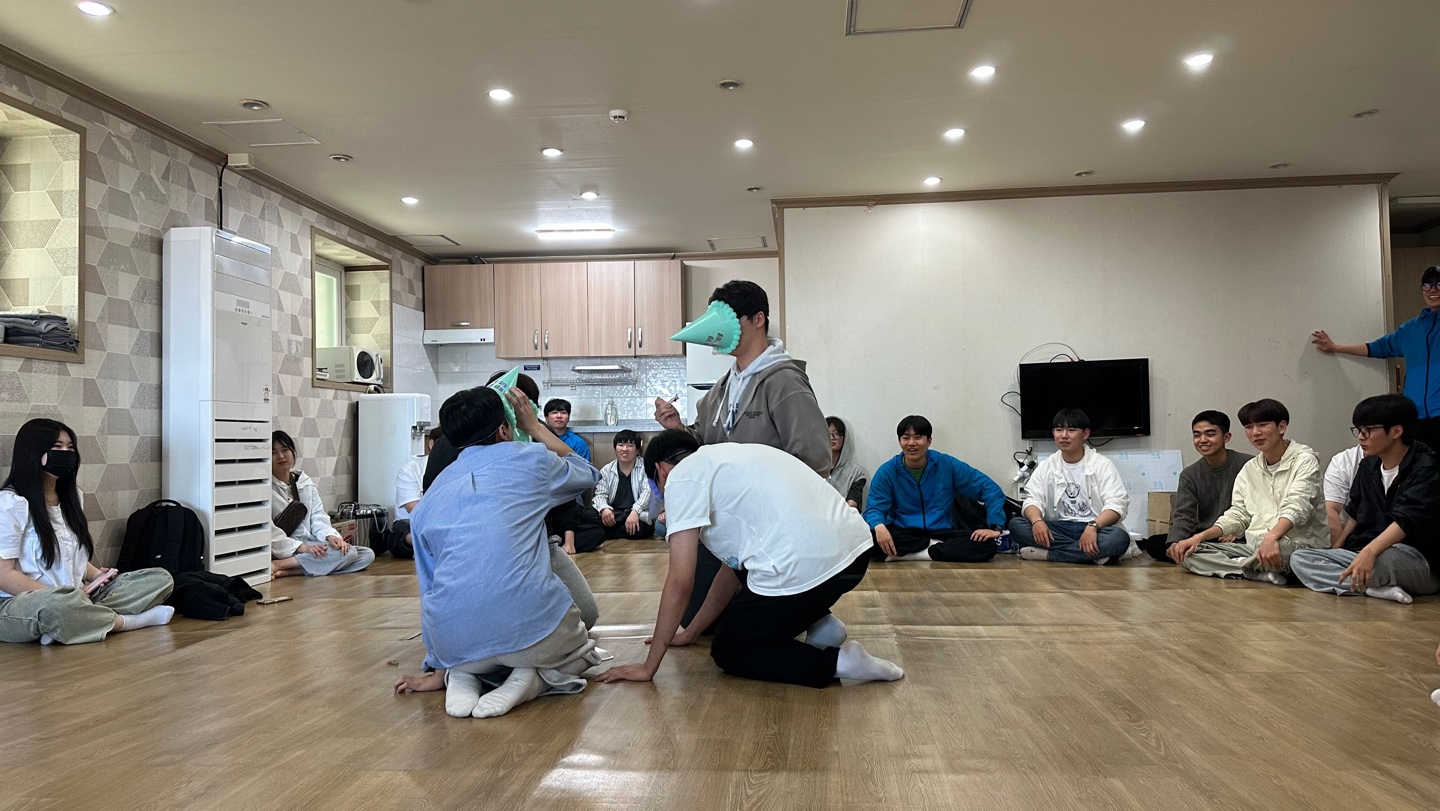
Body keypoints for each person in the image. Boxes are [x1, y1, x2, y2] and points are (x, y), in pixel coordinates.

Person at [596, 430, 904, 688]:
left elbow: (680, 581)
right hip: (854, 555)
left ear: (660, 470)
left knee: (732, 649)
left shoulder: (681, 477)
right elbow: (731, 570)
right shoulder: (727, 457)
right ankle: (822, 625)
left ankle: (842, 662)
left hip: (810, 568)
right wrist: (690, 633)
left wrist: (649, 667)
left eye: (656, 486)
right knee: (748, 575)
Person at [393, 386, 604, 718]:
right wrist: (535, 428)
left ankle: (459, 675)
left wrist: (438, 665)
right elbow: (588, 474)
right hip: (533, 634)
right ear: (504, 428)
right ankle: (533, 679)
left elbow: (429, 584)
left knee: (475, 641)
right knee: (584, 650)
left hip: (454, 644)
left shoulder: (428, 500)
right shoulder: (530, 458)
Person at [653, 280, 830, 625]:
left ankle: (812, 614)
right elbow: (702, 444)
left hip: (773, 527)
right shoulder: (724, 387)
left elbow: (814, 458)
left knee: (734, 628)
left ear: (758, 319)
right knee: (695, 616)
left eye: (730, 320)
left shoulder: (784, 380)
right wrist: (676, 428)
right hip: (732, 524)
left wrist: (779, 507)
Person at [0, 419, 175, 645]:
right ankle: (124, 622)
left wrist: (95, 576)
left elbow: (70, 554)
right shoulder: (10, 503)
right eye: (57, 447)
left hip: (80, 594)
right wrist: (64, 597)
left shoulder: (73, 497)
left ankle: (72, 623)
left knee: (160, 579)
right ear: (32, 452)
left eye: (70, 448)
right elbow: (4, 575)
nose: (66, 454)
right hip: (20, 603)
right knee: (56, 606)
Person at [1290, 395, 1440, 603]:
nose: (1361, 437)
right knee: (1300, 559)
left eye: (1368, 430)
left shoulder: (1426, 467)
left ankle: (1367, 582)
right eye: (1359, 430)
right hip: (1365, 549)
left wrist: (1370, 552)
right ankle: (1374, 589)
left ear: (1396, 431)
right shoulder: (1369, 465)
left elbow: (1407, 520)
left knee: (1384, 560)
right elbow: (1355, 511)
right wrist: (1339, 548)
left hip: (1415, 557)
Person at [1168, 399, 1327, 584]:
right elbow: (1238, 514)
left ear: (1282, 427)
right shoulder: (1250, 468)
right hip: (1255, 546)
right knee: (1190, 553)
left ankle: (1244, 566)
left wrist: (1272, 536)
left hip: (1298, 546)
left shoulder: (1304, 460)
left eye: (1262, 425)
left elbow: (1298, 506)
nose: (1255, 432)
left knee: (1287, 554)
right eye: (1249, 427)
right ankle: (1255, 571)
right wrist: (1199, 537)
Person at [1312, 265, 1440, 450]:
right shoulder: (1410, 329)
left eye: (1438, 284)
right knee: (1417, 465)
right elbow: (1376, 348)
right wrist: (1335, 348)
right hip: (1414, 417)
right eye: (1427, 285)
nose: (1433, 289)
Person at [864, 415, 1007, 563]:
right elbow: (874, 508)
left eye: (918, 437)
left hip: (941, 532)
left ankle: (914, 554)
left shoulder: (946, 464)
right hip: (903, 532)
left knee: (987, 545)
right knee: (868, 539)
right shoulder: (887, 471)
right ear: (900, 441)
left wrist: (995, 527)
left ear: (929, 441)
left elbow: (990, 489)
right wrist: (879, 526)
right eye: (906, 438)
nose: (911, 443)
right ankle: (934, 550)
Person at [1009, 408, 1132, 564]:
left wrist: (1092, 527)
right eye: (1059, 430)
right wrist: (1037, 521)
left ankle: (1047, 555)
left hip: (1095, 528)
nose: (1064, 435)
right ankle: (1092, 555)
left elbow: (1117, 505)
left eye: (1071, 430)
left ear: (1085, 434)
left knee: (1119, 538)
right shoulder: (1047, 466)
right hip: (1058, 528)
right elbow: (1032, 499)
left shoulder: (1102, 464)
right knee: (1016, 525)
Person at [1142, 411, 1254, 561]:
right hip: (1206, 536)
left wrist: (1239, 532)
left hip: (1239, 535)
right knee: (1154, 544)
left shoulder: (1249, 465)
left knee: (1252, 543)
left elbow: (1259, 508)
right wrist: (1175, 543)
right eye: (1197, 435)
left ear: (1226, 437)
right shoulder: (1189, 474)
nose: (1202, 440)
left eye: (1210, 434)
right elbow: (1183, 515)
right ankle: (1218, 557)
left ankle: (1205, 557)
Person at [269, 430, 376, 578]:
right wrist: (302, 547)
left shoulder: (304, 482)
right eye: (273, 452)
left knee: (366, 554)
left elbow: (318, 515)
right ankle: (280, 564)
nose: (281, 456)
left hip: (312, 543)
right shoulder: (264, 488)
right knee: (349, 554)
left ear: (293, 452)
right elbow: (269, 531)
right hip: (287, 548)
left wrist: (330, 536)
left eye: (285, 450)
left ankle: (289, 571)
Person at [593, 430, 654, 540]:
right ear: (615, 448)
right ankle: (622, 526)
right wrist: (604, 509)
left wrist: (635, 511)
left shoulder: (646, 467)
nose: (624, 449)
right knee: (587, 515)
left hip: (638, 514)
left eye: (630, 445)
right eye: (621, 445)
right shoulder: (606, 470)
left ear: (637, 450)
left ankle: (606, 532)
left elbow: (647, 492)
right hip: (614, 513)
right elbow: (600, 495)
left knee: (642, 528)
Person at [1323, 443, 1364, 546]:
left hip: (1391, 543)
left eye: (1368, 433)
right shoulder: (1344, 461)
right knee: (1300, 554)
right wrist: (1337, 549)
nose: (1361, 437)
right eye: (1359, 433)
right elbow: (1331, 509)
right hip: (1354, 538)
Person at [826, 416, 868, 510]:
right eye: (827, 434)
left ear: (844, 438)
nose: (832, 438)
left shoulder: (855, 472)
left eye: (836, 433)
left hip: (844, 517)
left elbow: (852, 505)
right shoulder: (812, 468)